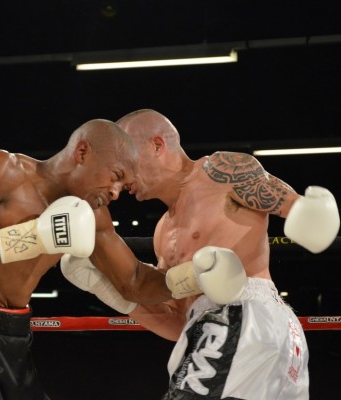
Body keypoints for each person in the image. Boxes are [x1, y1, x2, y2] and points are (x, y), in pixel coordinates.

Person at [60, 109, 340, 399]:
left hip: (245, 318)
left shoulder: (219, 171)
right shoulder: (163, 232)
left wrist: (310, 213)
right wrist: (105, 287)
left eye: (127, 158)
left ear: (157, 145)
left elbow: (292, 205)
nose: (122, 176)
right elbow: (177, 322)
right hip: (229, 334)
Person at [0, 118, 162, 400]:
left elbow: (134, 281)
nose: (115, 191)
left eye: (123, 186)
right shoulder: (2, 170)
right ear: (82, 152)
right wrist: (35, 237)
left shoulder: (94, 216)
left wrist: (189, 278)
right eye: (116, 175)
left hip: (14, 340)